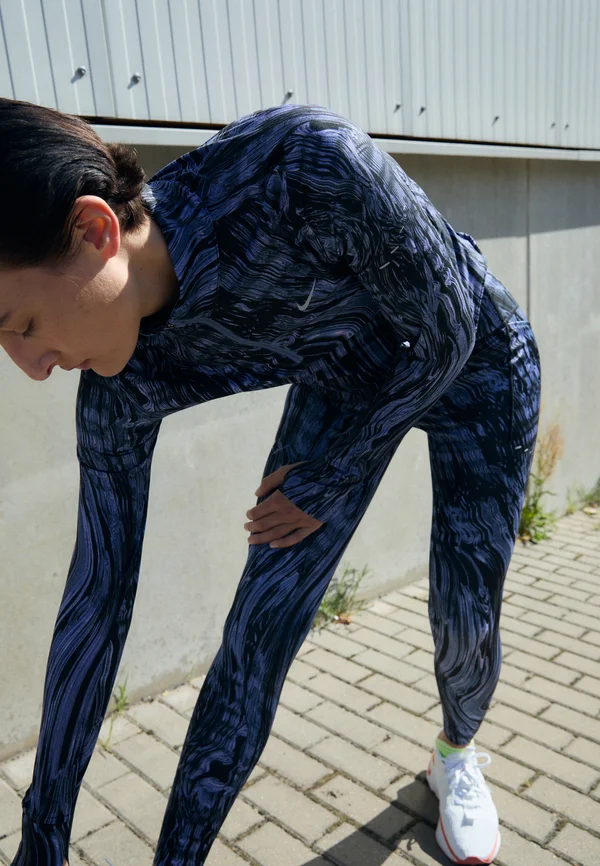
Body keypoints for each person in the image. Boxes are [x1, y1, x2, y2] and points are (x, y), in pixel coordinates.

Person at [0, 96, 540, 866]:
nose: (32, 368)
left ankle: (456, 753)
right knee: (255, 638)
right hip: (344, 384)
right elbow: (96, 603)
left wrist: (331, 475)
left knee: (465, 620)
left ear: (94, 231)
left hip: (477, 368)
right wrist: (41, 840)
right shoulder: (120, 389)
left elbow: (449, 323)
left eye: (21, 324)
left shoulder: (301, 163)